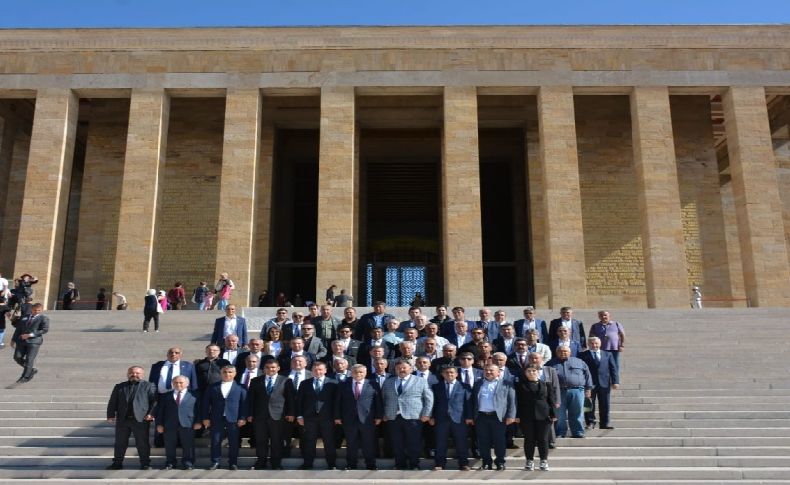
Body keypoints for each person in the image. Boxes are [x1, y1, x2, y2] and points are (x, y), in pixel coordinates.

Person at [381, 359, 434, 470]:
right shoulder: (388, 381)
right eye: (399, 368)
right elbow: (383, 399)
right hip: (393, 417)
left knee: (413, 442)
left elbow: (428, 399)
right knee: (396, 442)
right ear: (395, 370)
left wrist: (427, 414)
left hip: (414, 417)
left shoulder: (420, 381)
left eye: (404, 368)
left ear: (410, 369)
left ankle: (414, 464)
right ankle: (400, 464)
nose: (402, 370)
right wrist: (384, 413)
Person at [247, 359, 295, 470]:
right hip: (259, 416)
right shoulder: (255, 381)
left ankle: (276, 463)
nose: (270, 369)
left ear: (278, 368)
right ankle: (261, 462)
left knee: (277, 440)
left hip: (278, 415)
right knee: (260, 440)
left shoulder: (286, 380)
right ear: (263, 369)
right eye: (267, 367)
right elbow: (251, 400)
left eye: (273, 367)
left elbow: (290, 399)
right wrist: (250, 414)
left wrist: (291, 413)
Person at [106, 366, 157, 470]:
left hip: (141, 420)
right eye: (132, 373)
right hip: (123, 420)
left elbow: (154, 401)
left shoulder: (149, 386)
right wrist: (110, 415)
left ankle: (145, 463)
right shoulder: (119, 386)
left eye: (137, 373)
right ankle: (117, 463)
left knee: (142, 443)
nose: (134, 375)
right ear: (128, 374)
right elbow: (113, 401)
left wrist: (151, 414)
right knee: (120, 443)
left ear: (142, 374)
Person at [335, 364, 382, 470]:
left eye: (361, 372)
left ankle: (371, 464)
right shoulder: (343, 384)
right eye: (356, 372)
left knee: (368, 442)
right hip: (349, 419)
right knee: (351, 443)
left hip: (367, 419)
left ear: (365, 373)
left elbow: (378, 401)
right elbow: (338, 402)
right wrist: (337, 416)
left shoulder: (373, 384)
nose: (358, 374)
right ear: (351, 373)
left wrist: (379, 416)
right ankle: (351, 464)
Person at [149, 347, 198, 447]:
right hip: (161, 396)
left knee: (179, 419)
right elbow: (152, 382)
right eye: (171, 352)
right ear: (167, 354)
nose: (173, 354)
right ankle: (160, 442)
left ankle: (180, 442)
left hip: (181, 396)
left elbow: (193, 383)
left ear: (181, 354)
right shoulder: (157, 365)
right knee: (161, 419)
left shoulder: (188, 366)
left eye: (177, 352)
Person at [201, 365, 247, 470]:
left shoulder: (241, 387)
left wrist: (243, 417)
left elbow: (244, 404)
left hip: (234, 419)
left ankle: (233, 463)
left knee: (234, 441)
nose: (227, 374)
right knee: (215, 441)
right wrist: (205, 417)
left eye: (230, 372)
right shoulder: (212, 386)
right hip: (216, 418)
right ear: (221, 373)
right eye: (225, 372)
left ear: (235, 374)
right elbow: (206, 403)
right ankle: (215, 462)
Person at [471, 364, 516, 471]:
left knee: (499, 440)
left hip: (498, 417)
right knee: (483, 441)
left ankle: (500, 462)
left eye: (491, 370)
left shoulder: (506, 384)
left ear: (498, 372)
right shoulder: (478, 384)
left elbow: (512, 401)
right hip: (481, 416)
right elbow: (472, 401)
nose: (488, 372)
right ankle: (486, 462)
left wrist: (511, 416)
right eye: (486, 370)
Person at [296, 361, 338, 469]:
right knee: (309, 441)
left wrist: (336, 416)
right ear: (312, 371)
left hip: (328, 418)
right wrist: (300, 416)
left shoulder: (333, 383)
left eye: (320, 369)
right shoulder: (305, 383)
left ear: (325, 370)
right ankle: (308, 463)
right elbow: (300, 401)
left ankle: (331, 463)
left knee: (329, 441)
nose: (318, 372)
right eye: (315, 370)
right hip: (309, 418)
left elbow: (337, 402)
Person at [514, 364, 556, 471]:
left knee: (543, 439)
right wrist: (517, 415)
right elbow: (517, 401)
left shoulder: (546, 384)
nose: (531, 373)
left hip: (544, 416)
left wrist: (553, 414)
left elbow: (551, 401)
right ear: (525, 373)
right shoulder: (520, 385)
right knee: (529, 439)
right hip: (526, 416)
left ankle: (543, 461)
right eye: (529, 371)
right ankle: (529, 461)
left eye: (534, 371)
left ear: (538, 372)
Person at [431, 365, 472, 471]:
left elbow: (468, 403)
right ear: (442, 374)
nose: (449, 374)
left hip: (459, 418)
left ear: (456, 374)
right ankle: (440, 463)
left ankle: (463, 463)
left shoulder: (464, 386)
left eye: (452, 372)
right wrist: (431, 416)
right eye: (447, 372)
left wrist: (469, 417)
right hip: (441, 418)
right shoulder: (436, 386)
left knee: (461, 442)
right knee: (440, 442)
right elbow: (433, 403)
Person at [546, 345, 593, 439]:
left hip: (577, 390)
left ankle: (578, 432)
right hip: (559, 392)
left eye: (565, 351)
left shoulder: (579, 362)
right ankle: (560, 432)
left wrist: (588, 389)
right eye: (560, 351)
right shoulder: (550, 363)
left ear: (570, 352)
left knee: (578, 412)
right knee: (560, 414)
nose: (563, 353)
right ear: (556, 352)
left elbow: (587, 375)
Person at [155, 375, 200, 470]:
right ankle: (170, 463)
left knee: (188, 445)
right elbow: (160, 411)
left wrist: (198, 422)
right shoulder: (166, 396)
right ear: (172, 384)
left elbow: (199, 409)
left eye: (181, 382)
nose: (178, 384)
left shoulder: (195, 395)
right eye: (175, 382)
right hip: (169, 424)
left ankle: (188, 463)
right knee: (169, 445)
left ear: (187, 384)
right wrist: (159, 424)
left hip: (188, 423)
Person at [578, 336, 620, 430]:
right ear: (588, 344)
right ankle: (590, 422)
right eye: (592, 343)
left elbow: (613, 368)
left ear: (600, 344)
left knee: (605, 404)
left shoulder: (607, 354)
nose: (594, 345)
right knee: (589, 404)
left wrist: (615, 381)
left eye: (596, 343)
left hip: (604, 383)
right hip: (589, 384)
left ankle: (604, 423)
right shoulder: (582, 355)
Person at [12, 302, 49, 383]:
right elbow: (18, 329)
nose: (37, 312)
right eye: (35, 310)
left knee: (29, 359)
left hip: (34, 342)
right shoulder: (25, 317)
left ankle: (25, 376)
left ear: (41, 310)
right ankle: (31, 369)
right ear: (32, 309)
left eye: (39, 310)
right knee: (17, 357)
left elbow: (44, 330)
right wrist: (13, 340)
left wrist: (30, 335)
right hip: (22, 341)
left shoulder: (44, 318)